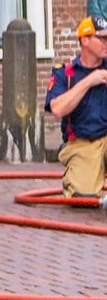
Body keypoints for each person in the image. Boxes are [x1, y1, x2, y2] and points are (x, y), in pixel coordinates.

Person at [46, 18, 107, 198]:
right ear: (85, 40)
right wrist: (89, 81)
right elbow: (57, 109)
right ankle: (74, 176)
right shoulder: (65, 74)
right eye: (101, 38)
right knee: (83, 198)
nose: (106, 43)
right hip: (82, 142)